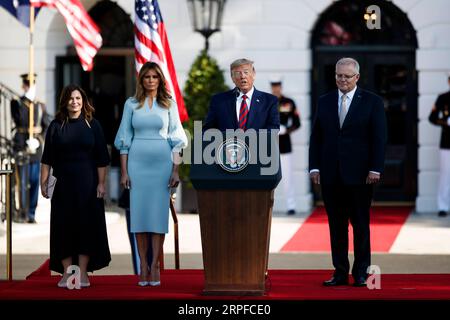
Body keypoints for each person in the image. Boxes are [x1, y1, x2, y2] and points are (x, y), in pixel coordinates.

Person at [309, 57, 387, 287]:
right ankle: (340, 272)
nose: (342, 80)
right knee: (337, 226)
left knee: (361, 225)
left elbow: (379, 138)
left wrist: (376, 168)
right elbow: (317, 137)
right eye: (338, 76)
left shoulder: (372, 102)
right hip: (331, 175)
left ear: (357, 77)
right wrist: (314, 166)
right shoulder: (324, 101)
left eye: (347, 76)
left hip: (361, 175)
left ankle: (361, 272)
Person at [114, 61, 188, 287]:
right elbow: (124, 140)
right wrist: (124, 172)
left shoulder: (169, 105)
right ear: (141, 80)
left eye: (154, 77)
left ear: (160, 80)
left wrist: (176, 169)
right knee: (139, 218)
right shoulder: (131, 104)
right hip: (136, 166)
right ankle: (143, 267)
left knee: (157, 218)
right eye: (146, 77)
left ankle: (155, 265)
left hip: (162, 166)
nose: (150, 80)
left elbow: (178, 141)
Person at [40, 84, 111, 288]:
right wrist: (44, 183)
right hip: (62, 186)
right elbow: (47, 159)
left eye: (78, 98)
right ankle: (66, 274)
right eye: (71, 99)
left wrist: (101, 183)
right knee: (63, 227)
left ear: (83, 101)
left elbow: (101, 158)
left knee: (86, 227)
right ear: (65, 101)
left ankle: (82, 274)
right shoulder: (55, 125)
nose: (75, 102)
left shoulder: (93, 125)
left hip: (88, 186)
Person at [10, 73, 50, 223]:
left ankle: (32, 212)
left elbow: (45, 126)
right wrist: (26, 102)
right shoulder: (16, 103)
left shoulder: (40, 105)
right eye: (27, 85)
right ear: (23, 86)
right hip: (21, 145)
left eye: (32, 85)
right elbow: (19, 119)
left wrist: (39, 140)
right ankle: (23, 212)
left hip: (36, 147)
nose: (29, 87)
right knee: (22, 181)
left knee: (34, 180)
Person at [203, 58, 280, 131]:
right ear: (232, 78)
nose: (243, 76)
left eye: (246, 72)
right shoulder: (219, 101)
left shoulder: (269, 101)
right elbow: (208, 130)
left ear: (253, 74)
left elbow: (273, 130)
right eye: (237, 73)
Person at [270, 77, 301, 215]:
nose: (276, 88)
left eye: (278, 86)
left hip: (285, 145)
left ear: (281, 87)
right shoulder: (265, 102)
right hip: (269, 146)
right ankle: (268, 205)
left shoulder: (289, 102)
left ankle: (291, 206)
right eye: (273, 86)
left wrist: (286, 130)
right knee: (268, 178)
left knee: (287, 177)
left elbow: (297, 123)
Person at [429, 75, 450, 217]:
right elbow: (432, 118)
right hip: (447, 142)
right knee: (445, 175)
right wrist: (445, 121)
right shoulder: (443, 98)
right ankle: (443, 206)